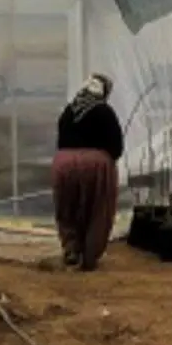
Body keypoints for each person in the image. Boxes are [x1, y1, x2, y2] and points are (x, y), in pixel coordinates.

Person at [52, 73, 124, 271]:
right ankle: (90, 256)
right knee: (97, 210)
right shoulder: (104, 111)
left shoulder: (67, 112)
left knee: (67, 208)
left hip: (64, 164)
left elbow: (60, 142)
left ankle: (71, 248)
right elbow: (116, 148)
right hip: (95, 165)